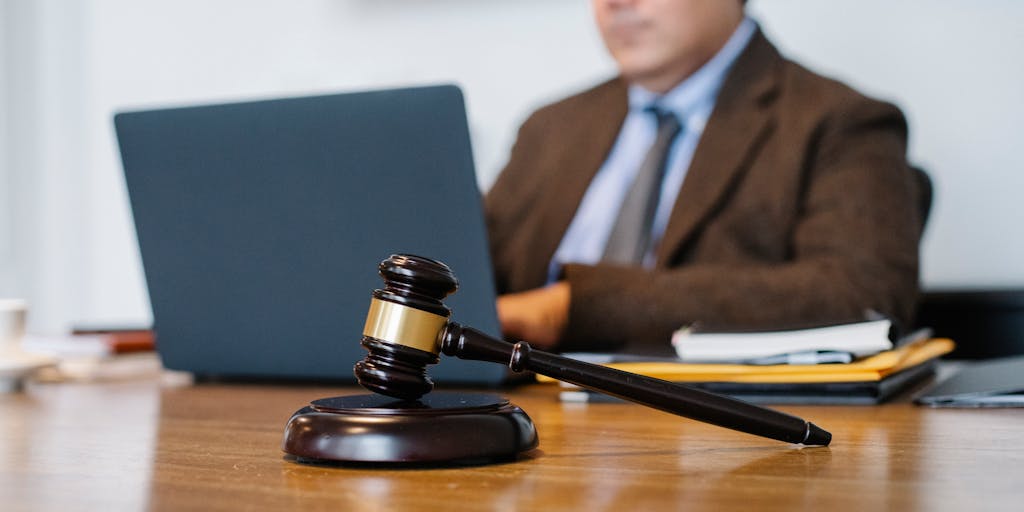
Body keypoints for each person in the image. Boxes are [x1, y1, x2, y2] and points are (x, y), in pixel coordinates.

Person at [485, 0, 923, 353]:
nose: (615, 3)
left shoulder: (838, 121)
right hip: (519, 411)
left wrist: (575, 307)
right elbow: (470, 269)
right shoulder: (550, 128)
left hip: (713, 430)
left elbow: (862, 292)